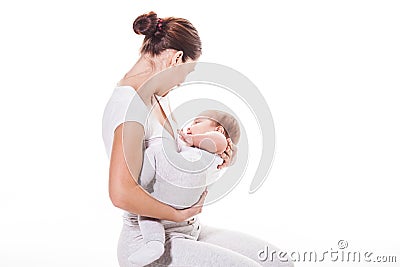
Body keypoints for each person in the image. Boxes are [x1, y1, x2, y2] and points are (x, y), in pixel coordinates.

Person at [102, 11, 294, 267]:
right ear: (177, 58)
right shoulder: (129, 108)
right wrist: (175, 213)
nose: (182, 82)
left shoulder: (156, 96)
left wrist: (219, 156)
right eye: (187, 72)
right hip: (150, 242)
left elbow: (175, 159)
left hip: (187, 229)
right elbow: (120, 192)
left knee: (278, 261)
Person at [128, 110, 241, 266]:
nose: (190, 126)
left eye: (197, 122)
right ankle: (154, 242)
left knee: (148, 209)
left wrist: (192, 139)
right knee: (147, 213)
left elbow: (220, 142)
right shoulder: (193, 147)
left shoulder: (215, 144)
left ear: (219, 130)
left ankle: (154, 241)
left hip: (181, 209)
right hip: (170, 203)